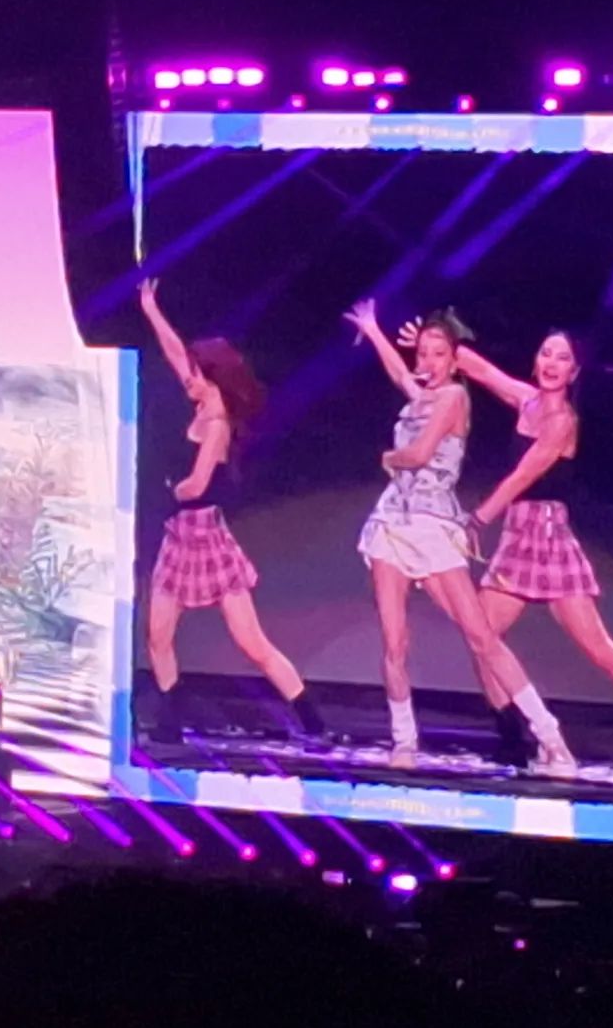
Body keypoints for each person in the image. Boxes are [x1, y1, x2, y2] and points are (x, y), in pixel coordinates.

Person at [399, 318, 613, 776]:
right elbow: (478, 369)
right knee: (482, 637)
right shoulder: (526, 400)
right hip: (517, 537)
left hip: (549, 538)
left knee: (597, 647)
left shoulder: (562, 422)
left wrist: (476, 519)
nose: (551, 363)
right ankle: (512, 739)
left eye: (563, 358)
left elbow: (523, 476)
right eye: (546, 353)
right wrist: (434, 339)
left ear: (574, 371)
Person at [344, 300, 575, 775]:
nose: (427, 363)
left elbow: (419, 453)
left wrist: (389, 458)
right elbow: (400, 375)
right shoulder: (422, 395)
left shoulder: (454, 398)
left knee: (482, 637)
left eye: (438, 355)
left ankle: (551, 737)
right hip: (393, 524)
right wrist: (374, 330)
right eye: (422, 354)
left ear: (453, 363)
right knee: (394, 643)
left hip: (434, 526)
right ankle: (404, 741)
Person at [139, 278, 328, 746]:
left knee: (250, 641)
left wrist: (169, 488)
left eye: (195, 375)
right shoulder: (200, 399)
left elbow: (198, 484)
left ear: (212, 378)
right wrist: (151, 308)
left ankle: (311, 719)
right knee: (157, 635)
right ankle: (170, 721)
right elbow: (175, 353)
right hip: (179, 534)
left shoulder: (218, 425)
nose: (187, 379)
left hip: (205, 535)